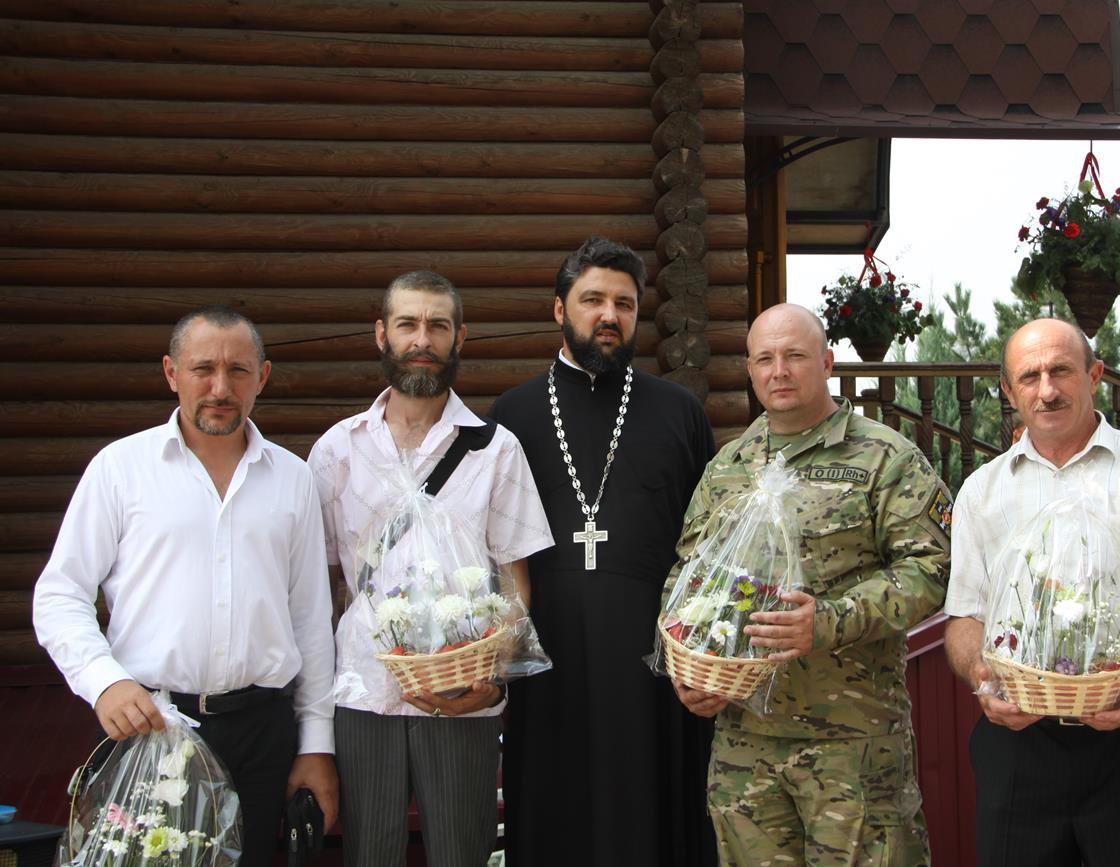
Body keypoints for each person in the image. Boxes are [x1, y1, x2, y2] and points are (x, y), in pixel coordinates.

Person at [32, 306, 338, 867]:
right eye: (203, 369)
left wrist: (316, 744)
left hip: (263, 736)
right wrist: (104, 683)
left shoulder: (293, 478)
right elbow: (59, 595)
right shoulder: (120, 469)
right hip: (150, 726)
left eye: (238, 371)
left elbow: (311, 621)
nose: (221, 388)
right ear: (172, 373)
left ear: (263, 377)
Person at [943, 318, 1120, 867]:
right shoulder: (982, 491)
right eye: (1029, 377)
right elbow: (964, 617)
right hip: (1018, 746)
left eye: (1061, 371)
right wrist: (981, 678)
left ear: (1095, 375)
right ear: (1008, 390)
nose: (1046, 390)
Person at [668, 303, 950, 866]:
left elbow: (930, 570)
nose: (779, 371)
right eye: (765, 359)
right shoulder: (728, 467)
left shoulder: (886, 458)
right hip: (746, 743)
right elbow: (688, 575)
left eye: (795, 356)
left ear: (826, 362)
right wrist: (690, 668)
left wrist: (828, 621)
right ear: (750, 370)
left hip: (853, 743)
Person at [308, 271, 553, 867]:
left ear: (459, 337)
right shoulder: (338, 449)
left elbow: (515, 582)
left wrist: (491, 678)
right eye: (408, 324)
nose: (422, 339)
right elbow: (322, 585)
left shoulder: (496, 449)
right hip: (363, 692)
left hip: (464, 693)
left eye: (438, 326)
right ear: (381, 334)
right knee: (370, 855)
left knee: (461, 853)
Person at [489, 236, 717, 866]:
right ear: (559, 309)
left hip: (651, 667)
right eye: (593, 300)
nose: (609, 315)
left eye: (624, 303)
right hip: (548, 663)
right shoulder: (512, 417)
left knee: (652, 820)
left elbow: (710, 547)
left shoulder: (679, 413)